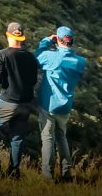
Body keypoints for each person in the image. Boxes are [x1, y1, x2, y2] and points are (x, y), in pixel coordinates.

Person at [0, 21, 38, 177]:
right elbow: (33, 81)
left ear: (8, 35)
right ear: (22, 37)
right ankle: (14, 172)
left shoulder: (3, 54)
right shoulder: (31, 57)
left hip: (8, 101)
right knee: (17, 136)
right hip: (26, 103)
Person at [35, 26, 87, 182]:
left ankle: (47, 175)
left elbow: (36, 57)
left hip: (48, 105)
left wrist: (46, 41)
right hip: (65, 106)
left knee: (48, 138)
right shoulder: (80, 62)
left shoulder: (53, 57)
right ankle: (66, 173)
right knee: (61, 137)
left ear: (58, 39)